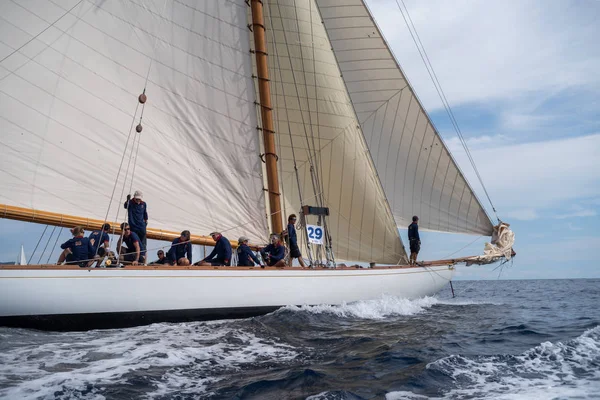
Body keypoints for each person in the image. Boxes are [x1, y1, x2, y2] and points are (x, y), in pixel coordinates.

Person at [124, 190, 148, 260]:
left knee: (143, 245)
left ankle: (144, 262)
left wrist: (145, 222)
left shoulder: (143, 204)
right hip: (133, 227)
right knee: (134, 244)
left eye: (139, 199)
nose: (138, 200)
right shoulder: (130, 203)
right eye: (136, 198)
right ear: (134, 197)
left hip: (141, 227)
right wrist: (127, 200)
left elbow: (145, 214)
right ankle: (135, 259)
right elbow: (125, 206)